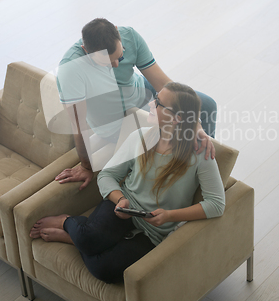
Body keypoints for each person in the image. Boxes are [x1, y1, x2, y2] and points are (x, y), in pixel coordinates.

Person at [30, 83, 225, 284]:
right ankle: (67, 221)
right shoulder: (139, 138)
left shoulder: (201, 155)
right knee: (89, 239)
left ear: (177, 118)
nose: (151, 103)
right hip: (123, 205)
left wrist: (170, 216)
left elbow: (216, 204)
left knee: (104, 269)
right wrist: (120, 199)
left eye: (158, 103)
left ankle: (73, 238)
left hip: (155, 231)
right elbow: (107, 175)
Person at [55, 18, 217, 190]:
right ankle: (189, 178)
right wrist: (87, 167)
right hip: (118, 120)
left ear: (118, 32)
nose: (116, 65)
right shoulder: (71, 70)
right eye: (106, 64)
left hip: (141, 92)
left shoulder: (129, 36)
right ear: (86, 51)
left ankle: (208, 162)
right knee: (172, 132)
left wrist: (196, 125)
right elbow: (78, 126)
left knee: (206, 105)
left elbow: (162, 83)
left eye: (120, 56)